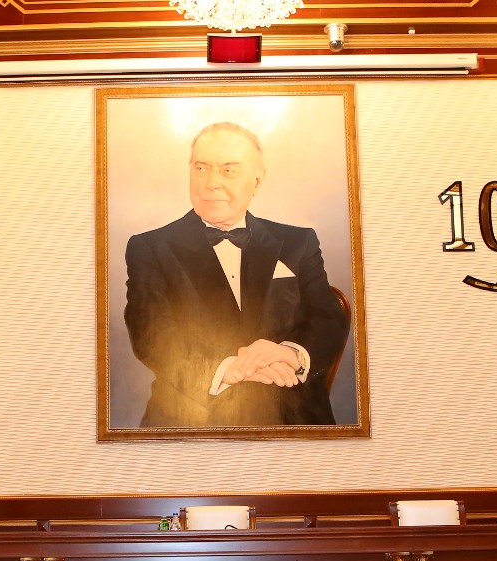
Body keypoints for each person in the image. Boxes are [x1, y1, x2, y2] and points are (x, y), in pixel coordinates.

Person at [123, 121, 349, 428]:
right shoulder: (149, 247)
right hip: (192, 413)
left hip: (289, 411)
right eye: (201, 168)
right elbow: (151, 333)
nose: (211, 183)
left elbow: (328, 316)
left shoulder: (299, 242)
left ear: (257, 181)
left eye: (228, 170)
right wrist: (227, 369)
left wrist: (290, 354)